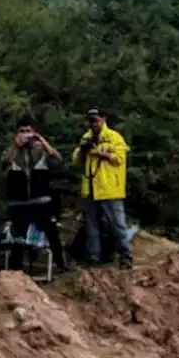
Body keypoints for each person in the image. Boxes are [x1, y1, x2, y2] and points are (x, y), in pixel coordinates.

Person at [3, 116, 70, 274]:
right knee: (18, 237)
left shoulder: (41, 150)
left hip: (41, 200)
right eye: (22, 131)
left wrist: (42, 141)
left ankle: (61, 265)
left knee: (52, 232)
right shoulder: (11, 151)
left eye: (29, 131)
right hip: (18, 202)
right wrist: (15, 146)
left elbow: (57, 161)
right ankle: (16, 270)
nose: (25, 135)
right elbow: (4, 163)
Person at [71, 108, 134, 269]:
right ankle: (93, 258)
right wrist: (82, 150)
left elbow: (120, 158)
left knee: (118, 225)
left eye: (96, 120)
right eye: (90, 121)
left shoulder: (114, 137)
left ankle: (126, 256)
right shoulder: (86, 137)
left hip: (110, 189)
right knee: (92, 227)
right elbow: (75, 161)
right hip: (91, 190)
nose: (93, 124)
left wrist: (98, 153)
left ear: (103, 119)